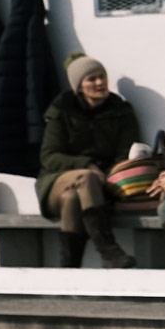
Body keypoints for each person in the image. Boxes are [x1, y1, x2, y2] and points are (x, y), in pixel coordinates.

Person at [41, 56, 145, 269]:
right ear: (79, 86)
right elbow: (49, 156)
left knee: (73, 198)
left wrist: (107, 176)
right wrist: (87, 164)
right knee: (84, 177)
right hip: (55, 183)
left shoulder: (121, 112)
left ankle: (69, 270)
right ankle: (108, 251)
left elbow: (124, 154)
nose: (100, 83)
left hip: (102, 184)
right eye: (92, 79)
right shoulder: (61, 111)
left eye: (103, 77)